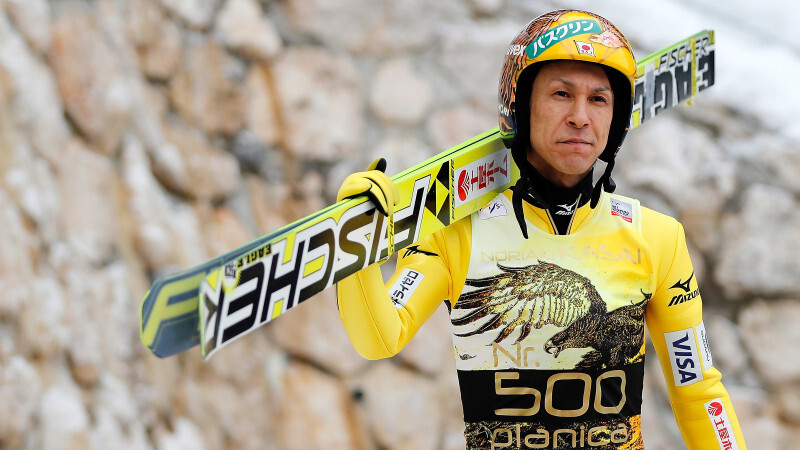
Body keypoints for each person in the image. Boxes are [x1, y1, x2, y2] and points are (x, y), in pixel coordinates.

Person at [335, 9, 746, 450]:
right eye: (561, 94)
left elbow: (698, 390)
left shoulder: (658, 238)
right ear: (520, 106)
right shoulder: (456, 235)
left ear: (616, 119)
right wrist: (358, 241)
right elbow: (379, 337)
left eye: (599, 99)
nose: (580, 117)